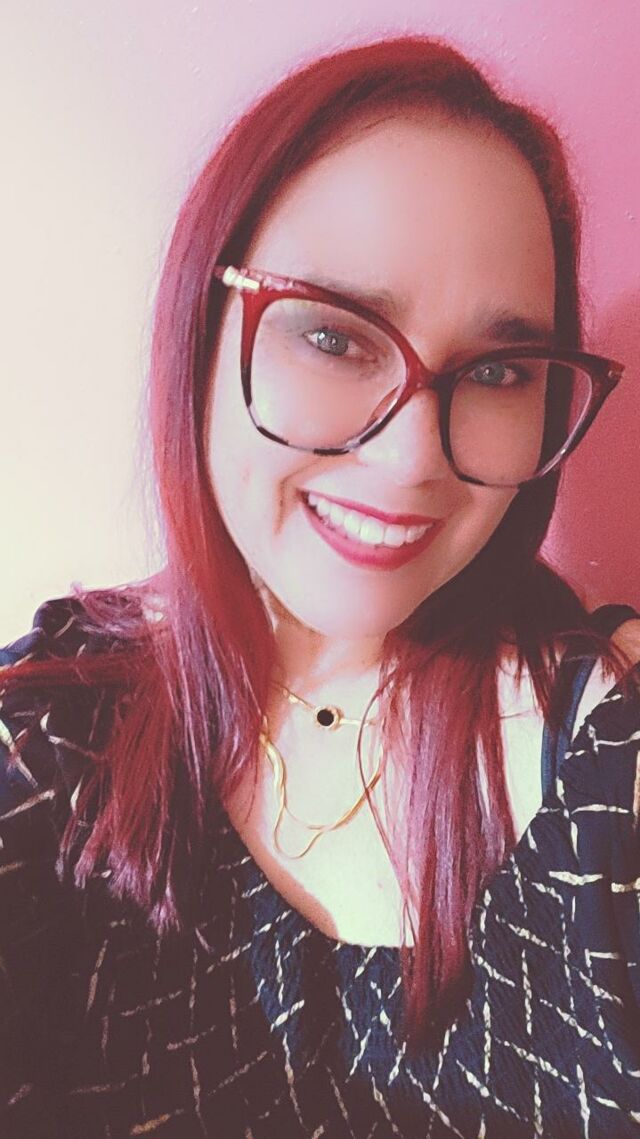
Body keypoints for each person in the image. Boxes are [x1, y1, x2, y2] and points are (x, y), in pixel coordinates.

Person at [1, 34, 639, 1138]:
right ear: (202, 327)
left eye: (496, 370)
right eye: (335, 337)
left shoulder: (602, 757)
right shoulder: (51, 738)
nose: (411, 460)